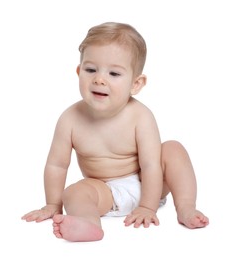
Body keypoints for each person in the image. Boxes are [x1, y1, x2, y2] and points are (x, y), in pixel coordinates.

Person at [21, 22, 209, 242]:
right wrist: (53, 204)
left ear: (136, 84)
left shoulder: (140, 116)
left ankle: (186, 208)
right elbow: (57, 165)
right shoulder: (70, 119)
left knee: (173, 149)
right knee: (73, 193)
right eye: (91, 70)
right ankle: (89, 224)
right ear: (79, 72)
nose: (100, 79)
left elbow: (151, 165)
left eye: (114, 73)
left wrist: (148, 206)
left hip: (149, 184)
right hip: (105, 193)